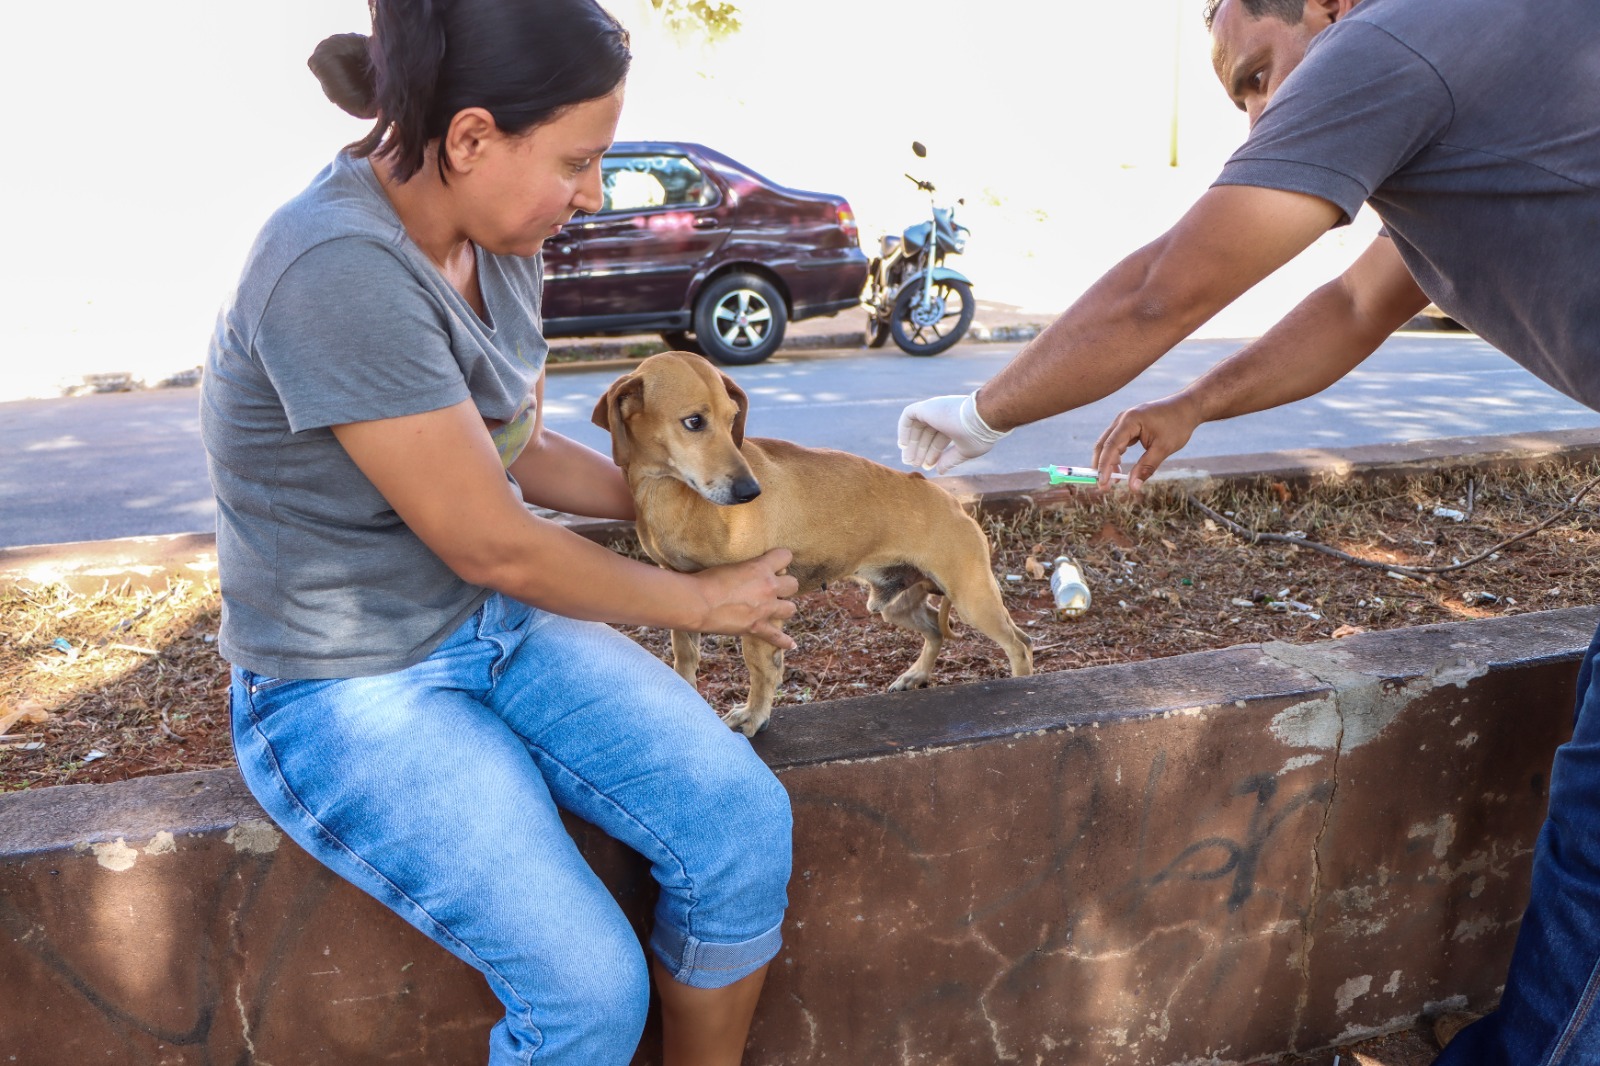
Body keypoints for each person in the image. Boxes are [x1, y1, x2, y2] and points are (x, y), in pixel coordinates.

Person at [898, 0, 1600, 1061]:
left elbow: (1159, 287)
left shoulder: (1388, 43)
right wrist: (1195, 407)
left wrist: (976, 412)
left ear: (1325, 8)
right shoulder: (1463, 74)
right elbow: (1357, 306)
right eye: (1241, 96)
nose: (1261, 117)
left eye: (1257, 76)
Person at [200, 3, 800, 1064]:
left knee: (740, 831)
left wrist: (712, 503)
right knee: (587, 993)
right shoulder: (334, 268)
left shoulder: (498, 234)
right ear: (470, 137)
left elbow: (515, 450)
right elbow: (495, 540)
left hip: (492, 627)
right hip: (345, 686)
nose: (592, 193)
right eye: (580, 160)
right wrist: (708, 600)